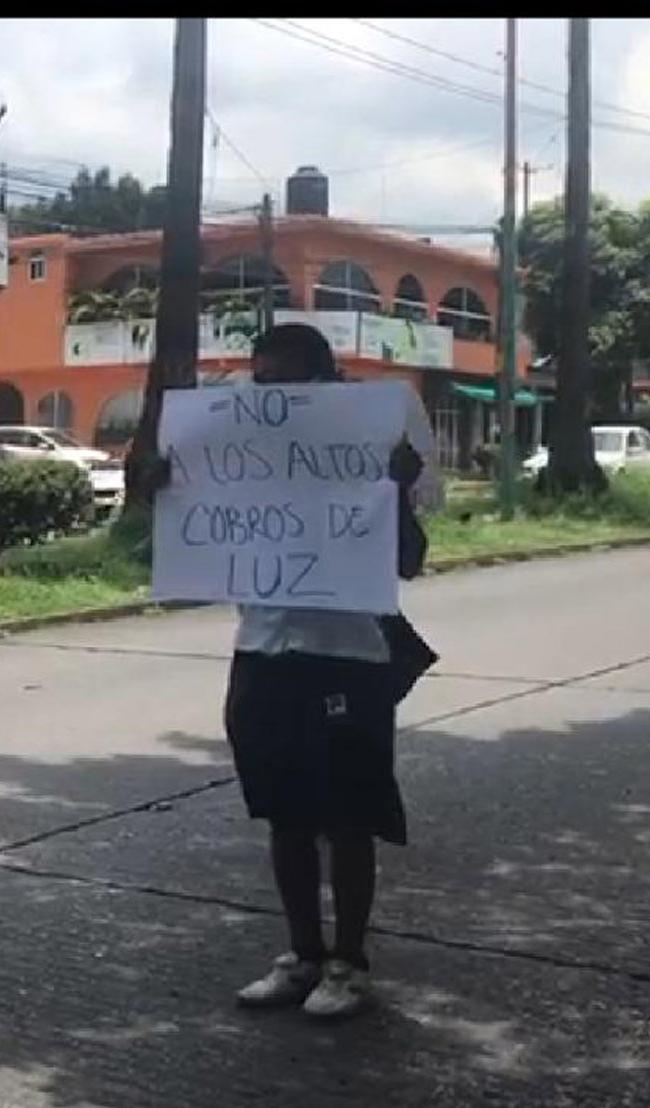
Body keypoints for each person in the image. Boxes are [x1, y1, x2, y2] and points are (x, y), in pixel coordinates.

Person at [170, 323, 421, 1020]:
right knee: (284, 814)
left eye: (291, 382)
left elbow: (409, 561)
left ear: (326, 382)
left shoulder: (371, 450)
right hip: (263, 653)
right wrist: (163, 489)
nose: (275, 395)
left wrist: (396, 489)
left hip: (347, 656)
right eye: (264, 382)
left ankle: (349, 962)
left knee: (348, 818)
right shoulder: (238, 454)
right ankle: (302, 953)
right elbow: (189, 542)